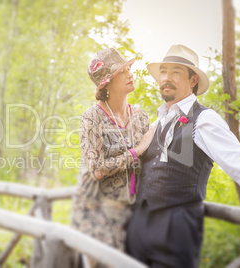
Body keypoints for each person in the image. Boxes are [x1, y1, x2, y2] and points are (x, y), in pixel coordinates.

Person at [126, 44, 240, 268]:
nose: (166, 78)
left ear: (193, 80)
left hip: (176, 229)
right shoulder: (156, 122)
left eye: (176, 72)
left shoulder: (205, 119)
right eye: (164, 71)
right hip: (138, 225)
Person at [71, 48, 154, 267]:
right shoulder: (92, 116)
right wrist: (136, 151)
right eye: (122, 71)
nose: (130, 73)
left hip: (132, 209)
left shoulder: (141, 116)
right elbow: (96, 169)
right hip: (95, 209)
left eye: (128, 68)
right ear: (107, 83)